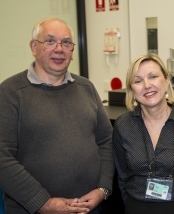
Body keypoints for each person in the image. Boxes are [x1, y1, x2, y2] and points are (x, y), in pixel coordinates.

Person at [0, 17, 114, 214]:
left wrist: (103, 189)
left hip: (89, 209)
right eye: (50, 41)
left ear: (72, 51)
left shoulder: (86, 87)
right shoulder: (11, 92)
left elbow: (106, 141)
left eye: (66, 42)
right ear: (34, 47)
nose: (59, 48)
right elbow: (2, 157)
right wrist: (42, 203)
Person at [112, 54, 174, 214]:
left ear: (167, 80)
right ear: (132, 90)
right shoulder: (123, 126)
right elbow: (121, 175)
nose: (147, 85)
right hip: (137, 207)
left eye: (153, 76)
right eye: (138, 81)